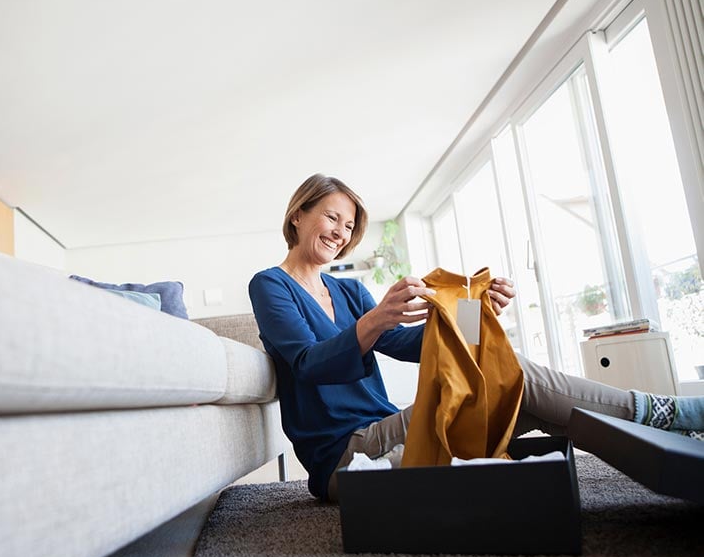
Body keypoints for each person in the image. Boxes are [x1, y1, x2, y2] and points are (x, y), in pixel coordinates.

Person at [249, 173, 702, 502]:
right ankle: (663, 412)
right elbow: (309, 363)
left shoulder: (347, 290)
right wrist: (379, 318)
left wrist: (474, 312)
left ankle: (666, 448)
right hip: (347, 452)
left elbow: (415, 347)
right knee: (511, 374)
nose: (340, 233)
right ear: (298, 215)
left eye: (349, 227)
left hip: (390, 430)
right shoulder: (270, 285)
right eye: (332, 217)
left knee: (511, 384)